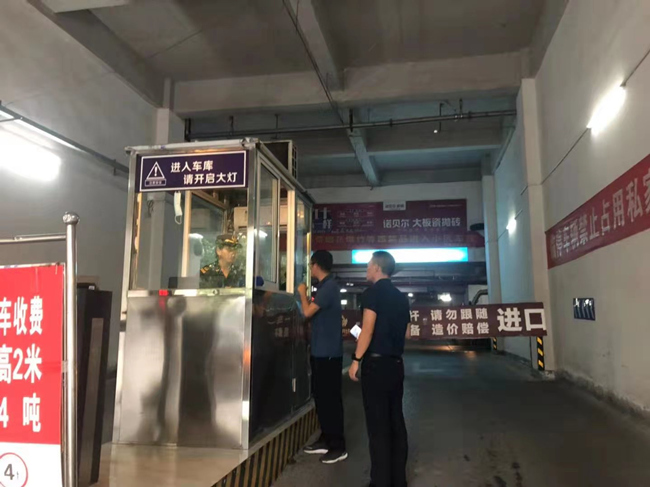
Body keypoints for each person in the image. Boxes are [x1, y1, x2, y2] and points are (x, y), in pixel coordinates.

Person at [349, 251, 410, 487]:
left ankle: (380, 482)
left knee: (378, 426)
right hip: (396, 365)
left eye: (368, 265)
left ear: (376, 267)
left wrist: (356, 359)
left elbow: (368, 330)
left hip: (376, 366)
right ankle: (398, 480)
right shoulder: (401, 297)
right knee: (396, 421)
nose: (366, 269)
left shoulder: (372, 293)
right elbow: (407, 333)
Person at [297, 250, 348, 464]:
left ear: (316, 265)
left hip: (328, 354)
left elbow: (307, 312)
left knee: (330, 400)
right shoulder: (325, 287)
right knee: (321, 398)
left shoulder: (329, 287)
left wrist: (302, 293)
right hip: (320, 352)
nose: (310, 268)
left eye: (311, 265)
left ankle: (338, 446)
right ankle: (326, 438)